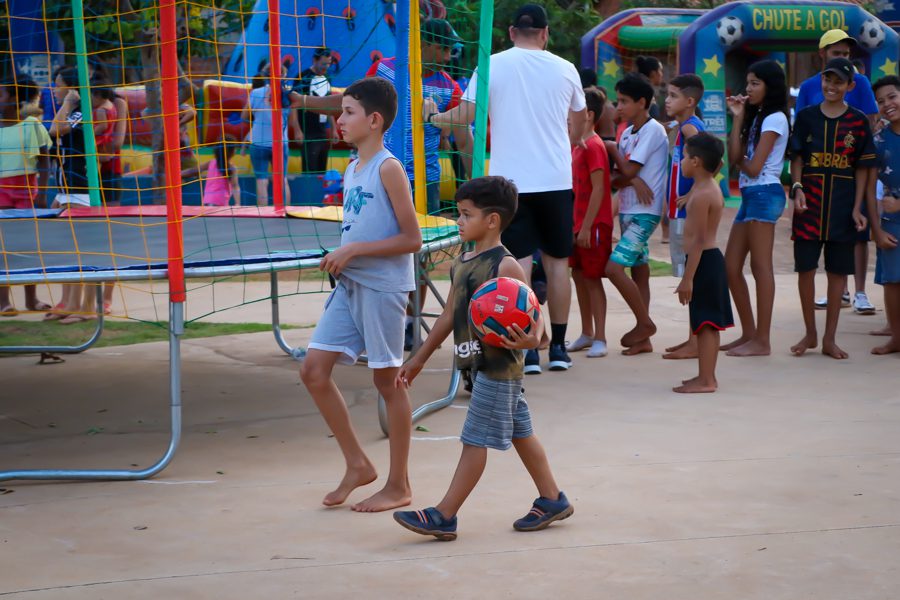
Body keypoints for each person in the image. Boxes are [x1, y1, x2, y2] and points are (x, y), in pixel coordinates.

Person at [393, 176, 572, 541]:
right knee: (522, 432)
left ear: (492, 220)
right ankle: (553, 499)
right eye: (459, 214)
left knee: (475, 439)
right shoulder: (464, 259)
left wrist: (531, 341)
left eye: (465, 214)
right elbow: (448, 315)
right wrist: (419, 358)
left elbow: (532, 320)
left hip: (498, 367)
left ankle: (444, 515)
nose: (458, 221)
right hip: (477, 363)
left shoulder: (505, 266)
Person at [425, 4, 587, 374]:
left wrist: (431, 116)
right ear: (545, 34)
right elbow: (577, 128)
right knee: (559, 265)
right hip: (555, 180)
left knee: (519, 265)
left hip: (509, 185)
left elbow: (464, 116)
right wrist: (563, 145)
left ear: (512, 32)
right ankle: (558, 348)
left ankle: (527, 349)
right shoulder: (565, 69)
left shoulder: (492, 64)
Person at [299, 78, 422, 513]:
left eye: (348, 111)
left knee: (388, 381)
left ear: (374, 120)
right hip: (351, 284)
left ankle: (399, 484)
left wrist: (353, 250)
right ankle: (357, 463)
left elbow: (412, 239)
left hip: (383, 287)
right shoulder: (352, 167)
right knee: (314, 371)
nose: (339, 119)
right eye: (340, 111)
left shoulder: (388, 168)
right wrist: (342, 254)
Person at [789, 58, 876, 360]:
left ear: (850, 86)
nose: (831, 86)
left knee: (838, 273)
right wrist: (797, 188)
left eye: (839, 81)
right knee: (805, 270)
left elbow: (864, 169)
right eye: (828, 80)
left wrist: (857, 208)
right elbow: (797, 157)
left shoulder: (859, 121)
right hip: (809, 207)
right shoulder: (806, 117)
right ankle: (810, 333)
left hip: (842, 208)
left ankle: (829, 338)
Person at [368, 18, 473, 214]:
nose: (449, 57)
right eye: (444, 49)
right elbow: (352, 102)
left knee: (425, 241)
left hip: (424, 181)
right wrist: (305, 102)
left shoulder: (450, 88)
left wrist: (478, 185)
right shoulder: (383, 69)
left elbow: (464, 141)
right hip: (379, 173)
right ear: (425, 44)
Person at [721, 60, 790, 357]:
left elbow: (753, 165)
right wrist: (737, 117)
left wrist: (741, 162)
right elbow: (734, 158)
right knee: (731, 266)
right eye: (747, 83)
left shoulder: (775, 118)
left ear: (770, 86)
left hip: (765, 193)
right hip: (752, 193)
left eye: (754, 83)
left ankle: (762, 340)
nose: (747, 89)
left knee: (761, 268)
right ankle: (749, 334)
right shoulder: (757, 115)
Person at [606, 73, 668, 355]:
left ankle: (645, 324)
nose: (619, 107)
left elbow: (625, 172)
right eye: (618, 101)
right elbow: (623, 176)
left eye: (624, 101)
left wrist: (612, 152)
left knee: (614, 268)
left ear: (642, 102)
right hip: (630, 208)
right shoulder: (629, 132)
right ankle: (644, 339)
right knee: (639, 272)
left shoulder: (653, 130)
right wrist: (630, 177)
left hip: (645, 212)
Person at [674, 133, 733, 393]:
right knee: (702, 321)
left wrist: (687, 279)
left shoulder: (702, 196)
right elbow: (716, 164)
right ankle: (704, 375)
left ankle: (707, 380)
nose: (682, 161)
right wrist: (689, 196)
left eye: (685, 156)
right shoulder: (704, 185)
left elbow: (698, 241)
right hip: (705, 262)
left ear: (696, 162)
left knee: (707, 325)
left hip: (704, 263)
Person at [0, 76, 53, 316]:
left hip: (26, 190)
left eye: (2, 94)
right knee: (3, 247)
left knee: (29, 246)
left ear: (14, 98)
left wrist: (41, 191)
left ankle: (31, 299)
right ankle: (3, 301)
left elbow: (44, 161)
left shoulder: (32, 125)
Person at [661, 74, 705, 360]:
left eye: (673, 95)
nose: (667, 100)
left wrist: (692, 195)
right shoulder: (682, 127)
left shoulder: (690, 129)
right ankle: (692, 337)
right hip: (679, 211)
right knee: (690, 274)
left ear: (689, 101)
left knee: (693, 276)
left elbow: (712, 160)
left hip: (687, 214)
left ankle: (696, 341)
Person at [566, 87, 612, 358]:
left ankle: (601, 337)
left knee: (593, 279)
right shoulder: (578, 146)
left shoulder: (594, 146)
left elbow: (599, 189)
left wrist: (585, 226)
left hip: (592, 225)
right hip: (577, 223)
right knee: (579, 276)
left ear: (588, 114)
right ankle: (587, 332)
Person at [868, 76, 900, 355]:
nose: (887, 105)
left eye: (892, 97)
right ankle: (896, 337)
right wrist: (876, 228)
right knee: (892, 279)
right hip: (891, 224)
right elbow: (868, 186)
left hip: (896, 211)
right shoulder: (877, 141)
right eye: (881, 101)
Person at [240, 61, 298, 206]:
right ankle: (285, 210)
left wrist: (259, 115)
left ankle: (263, 214)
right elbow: (292, 121)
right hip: (279, 142)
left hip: (259, 142)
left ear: (265, 76)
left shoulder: (256, 93)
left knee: (261, 180)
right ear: (284, 76)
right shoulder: (288, 95)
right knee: (281, 178)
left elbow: (244, 116)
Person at [295, 48, 337, 174]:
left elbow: (328, 104)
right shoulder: (303, 77)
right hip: (308, 132)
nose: (326, 67)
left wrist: (334, 128)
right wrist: (297, 130)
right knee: (309, 171)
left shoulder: (327, 78)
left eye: (328, 64)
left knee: (321, 171)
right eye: (323, 64)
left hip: (322, 132)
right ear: (315, 60)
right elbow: (293, 105)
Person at [202, 138, 240, 207]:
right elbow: (235, 186)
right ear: (231, 152)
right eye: (235, 148)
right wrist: (237, 203)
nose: (236, 150)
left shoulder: (211, 163)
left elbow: (194, 170)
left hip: (207, 200)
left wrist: (181, 173)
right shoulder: (231, 167)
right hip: (220, 201)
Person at [635, 55, 664, 121]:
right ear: (653, 73)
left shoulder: (641, 91)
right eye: (660, 70)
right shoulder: (644, 94)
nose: (662, 74)